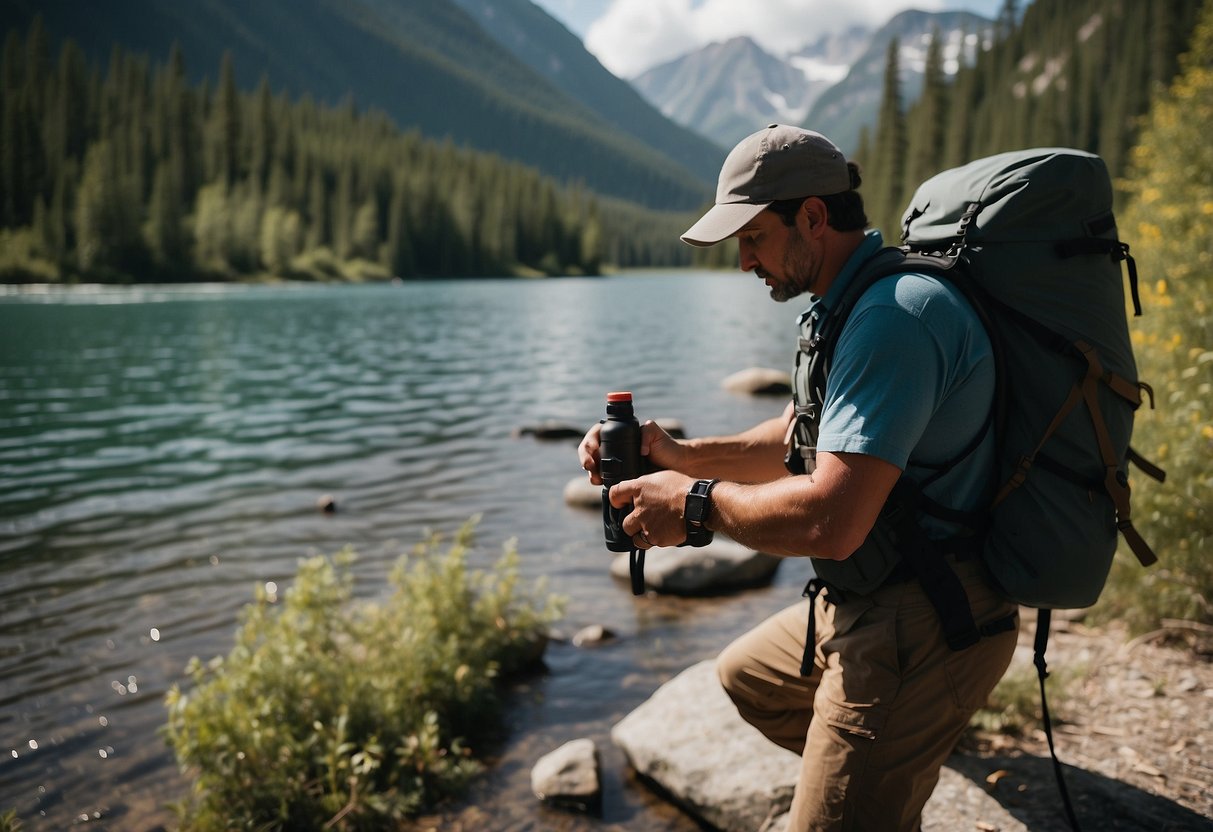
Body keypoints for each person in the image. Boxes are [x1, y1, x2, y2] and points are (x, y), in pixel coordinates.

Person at [577, 124, 1019, 831]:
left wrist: (694, 506)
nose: (743, 261)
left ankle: (888, 766)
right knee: (747, 678)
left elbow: (829, 523)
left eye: (752, 237)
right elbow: (794, 438)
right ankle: (888, 773)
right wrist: (677, 452)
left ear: (811, 216)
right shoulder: (847, 303)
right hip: (874, 593)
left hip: (924, 611)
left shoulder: (892, 318)